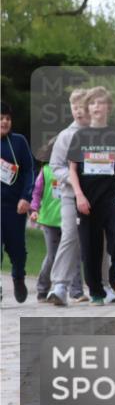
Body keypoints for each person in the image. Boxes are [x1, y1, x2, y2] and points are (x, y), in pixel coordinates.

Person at [67, 87, 115, 305]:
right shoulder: (80, 135)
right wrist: (78, 196)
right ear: (88, 108)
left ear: (108, 107)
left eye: (101, 102)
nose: (97, 107)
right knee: (91, 246)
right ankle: (95, 290)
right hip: (87, 198)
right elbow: (72, 170)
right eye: (93, 103)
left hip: (112, 196)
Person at [46, 88, 91, 305]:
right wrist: (74, 181)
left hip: (97, 197)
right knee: (70, 235)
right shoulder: (65, 136)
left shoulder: (103, 134)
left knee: (98, 239)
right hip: (69, 196)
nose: (78, 112)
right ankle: (60, 286)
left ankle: (105, 285)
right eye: (74, 107)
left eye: (82, 107)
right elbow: (55, 167)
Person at [30, 140, 81, 300]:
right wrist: (34, 210)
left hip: (70, 218)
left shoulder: (75, 172)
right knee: (52, 256)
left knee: (73, 254)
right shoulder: (45, 171)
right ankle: (42, 288)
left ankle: (76, 291)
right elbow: (36, 193)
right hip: (50, 221)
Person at [1, 101, 34, 303]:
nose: (4, 121)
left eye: (7, 118)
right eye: (1, 118)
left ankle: (18, 277)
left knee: (17, 249)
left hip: (14, 207)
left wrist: (26, 197)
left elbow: (29, 171)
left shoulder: (19, 142)